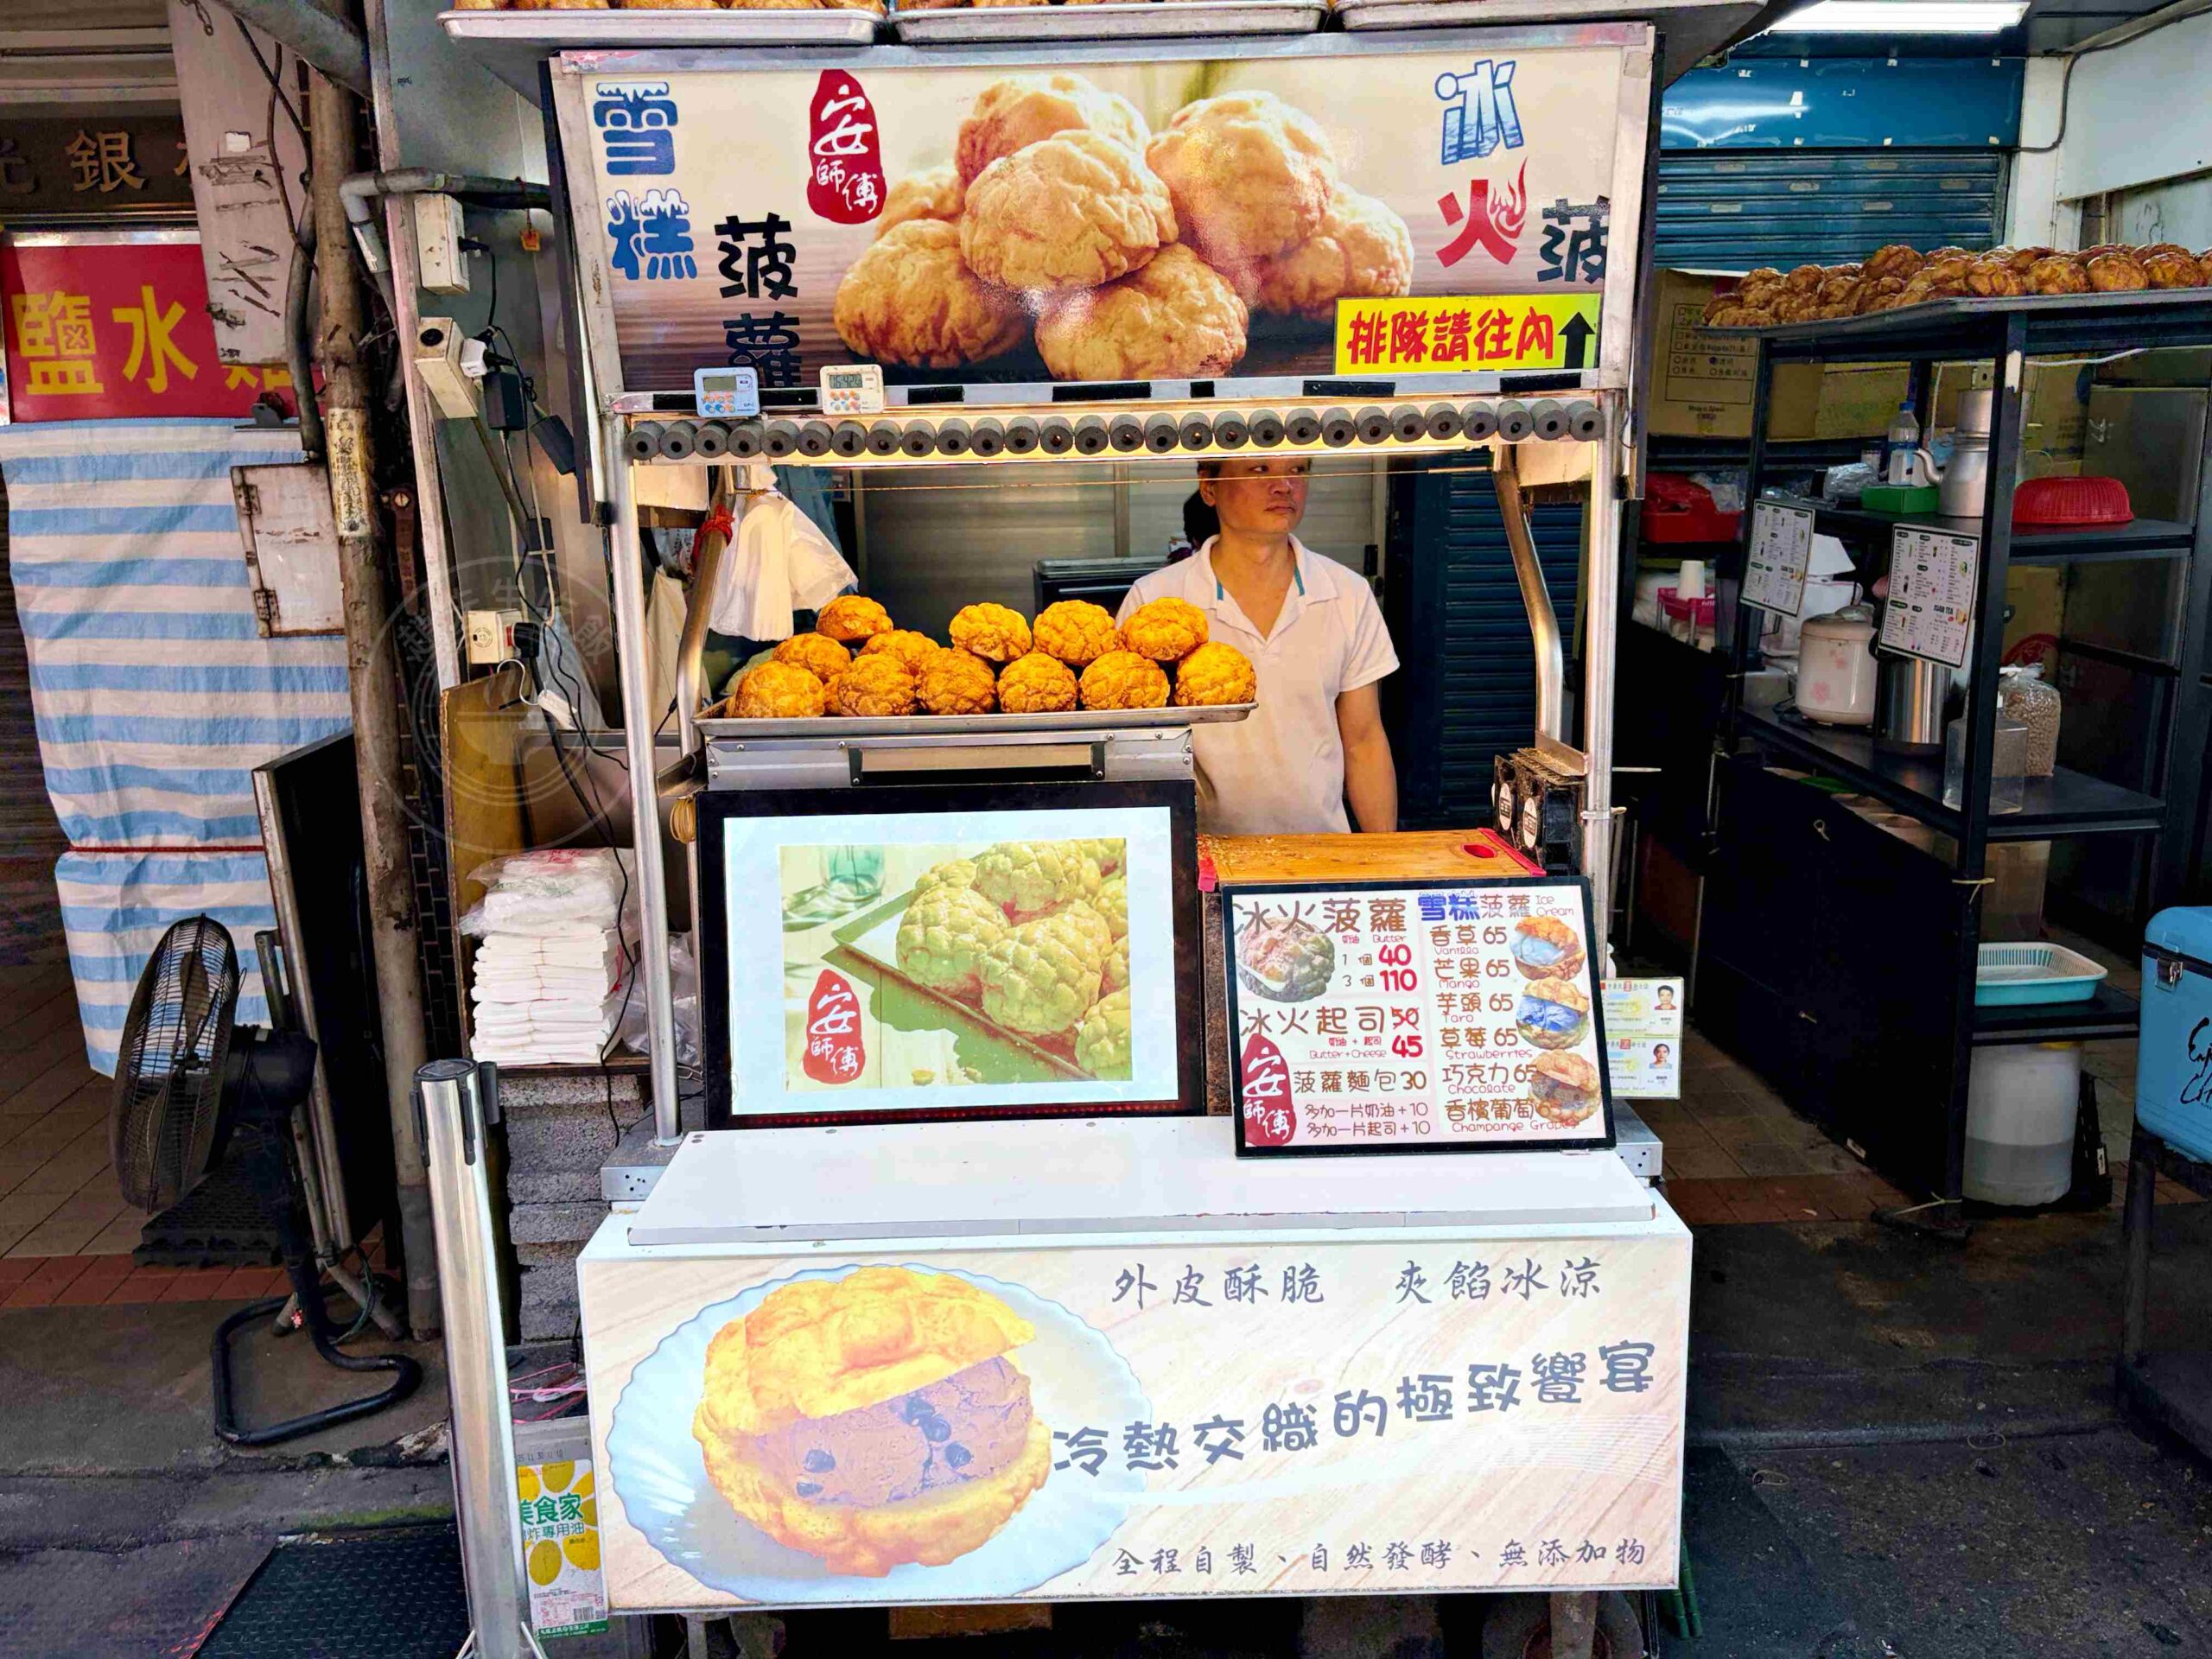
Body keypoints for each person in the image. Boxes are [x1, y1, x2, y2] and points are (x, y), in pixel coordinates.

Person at [1118, 454, 1398, 834]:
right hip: (1201, 852)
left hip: (1320, 851)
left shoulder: (1346, 594)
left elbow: (1363, 741)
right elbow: (1130, 750)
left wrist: (1384, 856)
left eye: (1297, 470)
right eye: (1260, 470)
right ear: (1209, 487)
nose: (1284, 486)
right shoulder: (1156, 604)